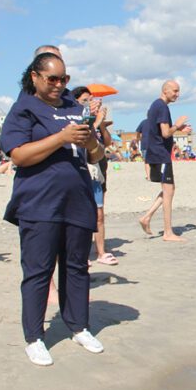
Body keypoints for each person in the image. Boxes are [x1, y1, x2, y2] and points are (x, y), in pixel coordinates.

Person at [0, 52, 106, 366]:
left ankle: (78, 326)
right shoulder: (24, 109)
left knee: (76, 267)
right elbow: (18, 155)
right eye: (52, 79)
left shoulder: (75, 107)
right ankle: (34, 337)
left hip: (77, 201)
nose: (59, 85)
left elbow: (97, 154)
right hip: (39, 203)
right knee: (38, 272)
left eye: (64, 79)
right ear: (35, 77)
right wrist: (60, 137)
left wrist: (89, 143)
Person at [138, 81, 190, 241]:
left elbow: (160, 130)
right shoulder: (161, 106)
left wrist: (178, 128)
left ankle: (146, 217)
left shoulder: (157, 105)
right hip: (160, 153)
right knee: (168, 191)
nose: (177, 94)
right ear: (165, 91)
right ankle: (167, 232)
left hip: (158, 153)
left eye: (178, 91)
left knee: (169, 189)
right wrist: (178, 125)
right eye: (175, 91)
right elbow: (166, 133)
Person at [72, 85, 117, 266]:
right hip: (82, 171)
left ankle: (101, 252)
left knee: (99, 213)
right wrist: (95, 122)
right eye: (85, 100)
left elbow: (106, 143)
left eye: (91, 100)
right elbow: (81, 141)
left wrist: (102, 125)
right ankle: (81, 254)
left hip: (98, 171)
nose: (90, 103)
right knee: (80, 214)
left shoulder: (95, 120)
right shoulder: (76, 120)